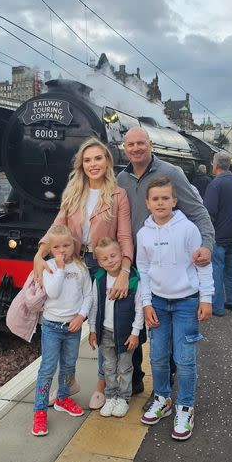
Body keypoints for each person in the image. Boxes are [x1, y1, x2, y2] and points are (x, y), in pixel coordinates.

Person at [32, 138, 134, 410]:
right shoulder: (73, 191)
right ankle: (68, 383)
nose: (93, 164)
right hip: (75, 263)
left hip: (104, 266)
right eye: (87, 160)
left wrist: (124, 270)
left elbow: (124, 235)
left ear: (107, 162)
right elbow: (58, 225)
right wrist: (39, 253)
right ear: (81, 164)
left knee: (102, 326)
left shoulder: (117, 195)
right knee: (68, 321)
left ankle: (102, 384)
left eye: (98, 158)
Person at [116, 126, 215, 405]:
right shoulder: (121, 178)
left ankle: (168, 387)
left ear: (150, 145)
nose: (136, 149)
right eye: (130, 144)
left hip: (165, 264)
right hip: (132, 262)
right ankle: (134, 380)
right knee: (130, 322)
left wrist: (207, 245)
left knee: (164, 333)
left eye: (141, 143)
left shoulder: (171, 173)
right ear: (124, 148)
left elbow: (198, 211)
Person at [137, 177, 214, 441]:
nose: (160, 203)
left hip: (186, 302)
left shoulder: (188, 229)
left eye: (165, 198)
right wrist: (146, 303)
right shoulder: (143, 233)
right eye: (155, 199)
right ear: (147, 203)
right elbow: (143, 271)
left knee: (184, 358)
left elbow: (202, 263)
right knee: (158, 356)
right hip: (158, 301)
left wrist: (207, 298)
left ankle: (185, 406)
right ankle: (163, 398)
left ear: (174, 201)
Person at [31, 225, 92, 436]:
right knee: (47, 368)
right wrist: (59, 268)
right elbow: (54, 293)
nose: (62, 250)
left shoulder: (81, 268)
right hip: (52, 326)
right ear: (50, 249)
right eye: (56, 247)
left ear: (73, 245)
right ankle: (39, 411)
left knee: (69, 365)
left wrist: (81, 316)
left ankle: (63, 397)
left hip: (72, 327)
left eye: (66, 245)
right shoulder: (48, 267)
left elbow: (88, 296)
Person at [88, 237, 145, 418]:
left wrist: (136, 332)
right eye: (105, 259)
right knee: (109, 366)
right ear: (99, 262)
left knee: (125, 367)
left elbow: (139, 308)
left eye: (113, 255)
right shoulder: (98, 279)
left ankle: (124, 398)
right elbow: (94, 306)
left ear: (122, 255)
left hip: (126, 333)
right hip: (105, 331)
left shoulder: (134, 278)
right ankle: (111, 396)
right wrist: (92, 329)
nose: (110, 261)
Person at [203, 151, 232, 315]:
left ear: (216, 164)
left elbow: (208, 212)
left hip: (218, 235)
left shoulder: (215, 184)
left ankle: (217, 306)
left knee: (216, 270)